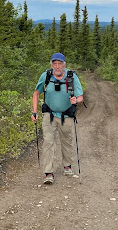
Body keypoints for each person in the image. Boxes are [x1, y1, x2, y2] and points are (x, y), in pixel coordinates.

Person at [32, 53, 84, 184]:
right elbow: (36, 93)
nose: (57, 66)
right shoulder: (46, 76)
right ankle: (48, 173)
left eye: (60, 63)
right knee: (48, 142)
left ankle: (67, 165)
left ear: (64, 65)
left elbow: (80, 97)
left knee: (66, 140)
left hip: (66, 115)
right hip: (49, 115)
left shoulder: (71, 76)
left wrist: (76, 100)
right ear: (51, 65)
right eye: (54, 64)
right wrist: (34, 112)